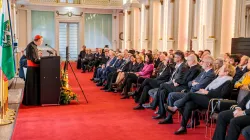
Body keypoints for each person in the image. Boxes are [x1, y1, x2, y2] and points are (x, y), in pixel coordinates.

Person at [167, 63, 235, 135]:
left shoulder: (228, 82)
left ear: (226, 72)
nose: (219, 70)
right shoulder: (218, 79)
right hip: (207, 98)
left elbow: (223, 95)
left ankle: (175, 107)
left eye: (222, 69)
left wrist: (208, 92)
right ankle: (183, 127)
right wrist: (204, 92)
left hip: (214, 102)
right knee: (189, 104)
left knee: (190, 94)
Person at [22, 35, 43, 106]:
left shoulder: (33, 45)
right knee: (32, 85)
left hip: (33, 68)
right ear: (38, 40)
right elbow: (34, 60)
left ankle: (35, 100)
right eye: (41, 41)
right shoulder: (31, 46)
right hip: (32, 69)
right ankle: (32, 101)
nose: (41, 42)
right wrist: (42, 61)